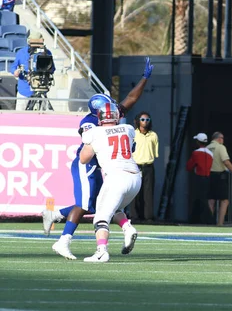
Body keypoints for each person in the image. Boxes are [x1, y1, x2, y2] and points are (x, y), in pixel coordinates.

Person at [41, 57, 153, 259]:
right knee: (86, 205)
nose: (116, 110)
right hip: (89, 165)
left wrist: (144, 78)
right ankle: (63, 240)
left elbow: (130, 99)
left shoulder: (109, 117)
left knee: (100, 205)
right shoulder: (91, 124)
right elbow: (86, 154)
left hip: (107, 167)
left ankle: (56, 215)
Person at [79, 103, 141, 263]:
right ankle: (127, 228)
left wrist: (86, 139)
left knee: (100, 217)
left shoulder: (94, 132)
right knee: (116, 208)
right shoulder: (128, 129)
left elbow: (84, 159)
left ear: (99, 117)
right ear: (116, 116)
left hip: (116, 177)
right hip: (135, 178)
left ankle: (101, 251)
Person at [10, 30, 55, 111]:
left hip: (41, 89)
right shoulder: (21, 52)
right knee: (20, 115)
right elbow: (13, 67)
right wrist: (15, 72)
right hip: (24, 90)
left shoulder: (47, 53)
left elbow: (52, 69)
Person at [207, 131, 232, 226]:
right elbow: (226, 161)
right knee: (224, 200)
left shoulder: (207, 148)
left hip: (209, 175)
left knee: (211, 200)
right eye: (222, 138)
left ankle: (209, 221)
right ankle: (220, 222)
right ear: (219, 138)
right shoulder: (220, 147)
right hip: (220, 175)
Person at [130, 111, 159, 223]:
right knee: (134, 191)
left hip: (148, 165)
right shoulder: (134, 134)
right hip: (136, 165)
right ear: (138, 121)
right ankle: (134, 216)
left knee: (148, 192)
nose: (145, 122)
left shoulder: (153, 135)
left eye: (147, 119)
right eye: (142, 119)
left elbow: (155, 152)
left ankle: (148, 216)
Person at [186, 133, 214, 224]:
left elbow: (189, 166)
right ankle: (195, 219)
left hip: (199, 178)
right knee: (201, 198)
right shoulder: (210, 153)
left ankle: (210, 220)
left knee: (200, 199)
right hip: (208, 178)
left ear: (198, 142)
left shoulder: (196, 153)